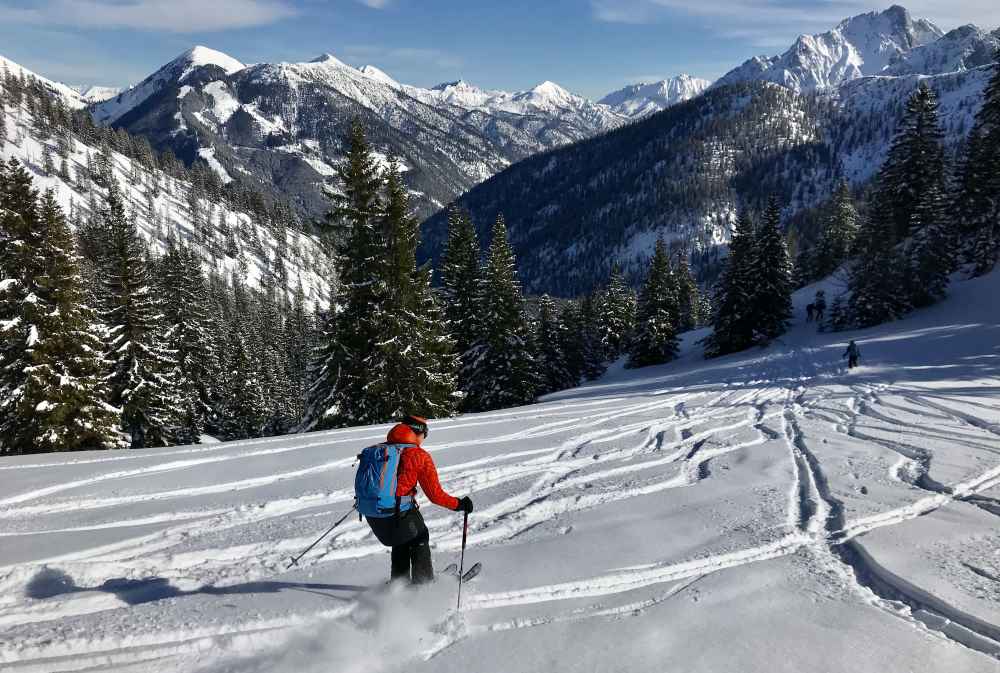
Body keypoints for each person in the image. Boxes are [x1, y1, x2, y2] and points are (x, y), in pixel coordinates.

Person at [364, 415, 474, 585]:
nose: (425, 438)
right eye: (426, 433)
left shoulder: (379, 450)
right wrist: (460, 504)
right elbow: (435, 495)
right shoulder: (418, 455)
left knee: (401, 541)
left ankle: (398, 585)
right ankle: (424, 585)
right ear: (418, 432)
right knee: (419, 536)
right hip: (398, 511)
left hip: (372, 511)